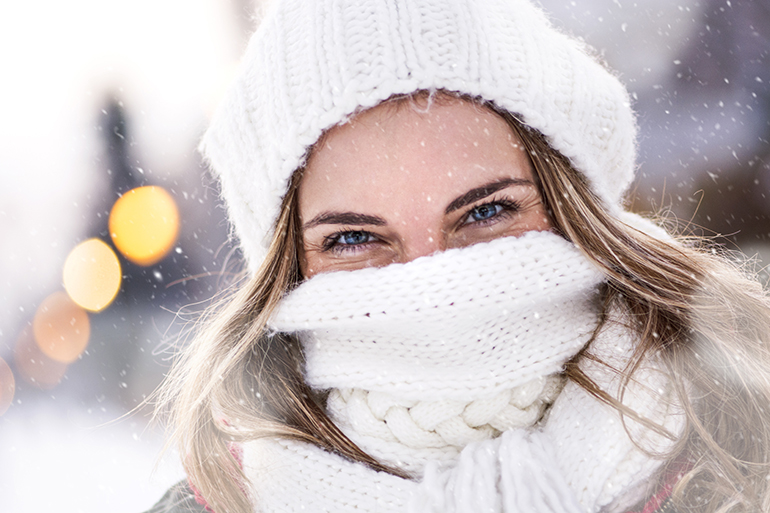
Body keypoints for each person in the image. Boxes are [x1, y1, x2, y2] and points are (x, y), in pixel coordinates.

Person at [147, 0, 770, 512]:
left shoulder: (745, 462)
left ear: (572, 211)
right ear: (290, 267)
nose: (431, 278)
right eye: (354, 238)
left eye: (487, 211)